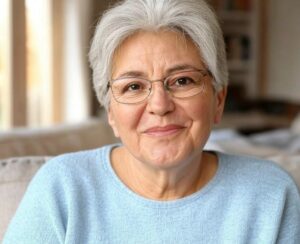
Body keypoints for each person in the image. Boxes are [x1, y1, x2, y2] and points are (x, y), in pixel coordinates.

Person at [4, 0, 300, 243]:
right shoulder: (61, 188)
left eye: (182, 80)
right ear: (110, 112)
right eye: (133, 86)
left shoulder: (271, 195)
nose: (159, 105)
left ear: (218, 100)